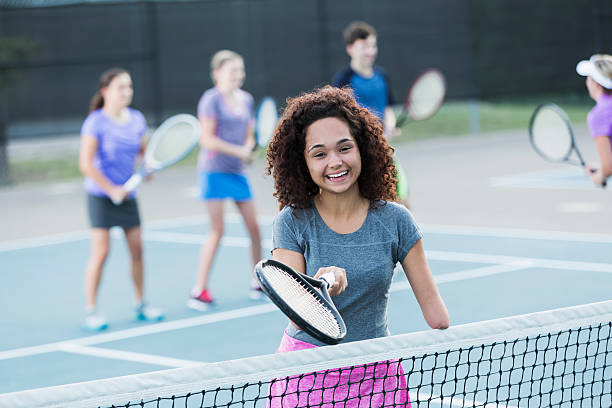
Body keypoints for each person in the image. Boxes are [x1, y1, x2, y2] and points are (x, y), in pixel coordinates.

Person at [265, 85, 449, 407]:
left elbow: (438, 318)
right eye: (319, 154)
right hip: (306, 376)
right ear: (302, 163)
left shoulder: (396, 221)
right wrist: (317, 291)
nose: (335, 162)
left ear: (363, 148)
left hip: (378, 374)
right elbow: (296, 316)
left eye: (344, 148)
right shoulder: (292, 222)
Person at [78, 68, 163, 331]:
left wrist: (146, 170)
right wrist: (111, 188)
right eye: (120, 88)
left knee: (137, 249)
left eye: (129, 87)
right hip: (100, 195)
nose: (127, 92)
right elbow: (85, 164)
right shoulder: (95, 121)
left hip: (128, 194)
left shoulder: (136, 119)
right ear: (105, 92)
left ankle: (141, 303)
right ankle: (91, 310)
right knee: (101, 252)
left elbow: (143, 154)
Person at [187, 50, 263, 311]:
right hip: (213, 171)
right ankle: (199, 289)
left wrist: (249, 148)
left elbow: (250, 135)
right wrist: (238, 151)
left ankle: (258, 281)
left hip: (238, 172)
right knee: (217, 230)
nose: (238, 76)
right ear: (217, 73)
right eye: (233, 71)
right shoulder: (210, 100)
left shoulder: (246, 99)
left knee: (254, 229)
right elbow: (206, 140)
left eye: (240, 71)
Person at [332, 21, 411, 208]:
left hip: (383, 150)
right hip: (359, 154)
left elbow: (387, 109)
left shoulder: (382, 76)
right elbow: (340, 118)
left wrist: (389, 127)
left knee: (404, 203)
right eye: (364, 47)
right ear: (350, 49)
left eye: (372, 46)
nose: (370, 51)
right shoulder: (344, 80)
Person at [576, 54, 612, 187]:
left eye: (588, 78)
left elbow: (608, 168)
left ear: (595, 84)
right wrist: (602, 166)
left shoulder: (598, 115)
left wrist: (600, 176)